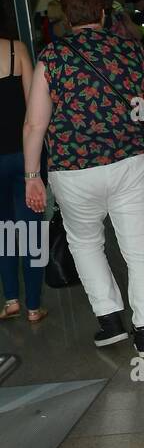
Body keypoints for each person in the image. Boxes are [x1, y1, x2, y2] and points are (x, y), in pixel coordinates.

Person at [22, 0, 144, 357]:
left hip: (73, 169)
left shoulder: (53, 57)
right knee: (141, 246)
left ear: (66, 15)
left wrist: (33, 175)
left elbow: (35, 124)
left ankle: (110, 320)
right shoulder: (130, 51)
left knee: (85, 243)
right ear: (102, 10)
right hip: (131, 161)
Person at [0, 21, 46, 323]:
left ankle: (11, 300)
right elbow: (34, 108)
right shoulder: (17, 51)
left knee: (2, 230)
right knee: (32, 230)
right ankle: (33, 306)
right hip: (22, 154)